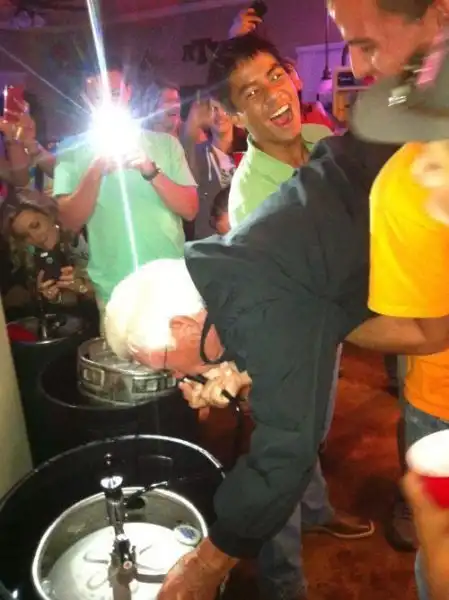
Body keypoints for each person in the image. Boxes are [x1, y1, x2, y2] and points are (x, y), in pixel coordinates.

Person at [104, 131, 406, 600]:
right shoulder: (225, 267)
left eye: (164, 366)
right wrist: (240, 371)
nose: (175, 378)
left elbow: (284, 455)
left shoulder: (260, 309)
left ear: (182, 326)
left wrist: (206, 565)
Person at [206, 33, 374, 600]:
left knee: (315, 431)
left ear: (293, 76)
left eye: (275, 76)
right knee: (286, 448)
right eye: (250, 93)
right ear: (235, 115)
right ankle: (283, 583)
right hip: (290, 338)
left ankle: (318, 510)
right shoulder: (252, 197)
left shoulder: (323, 141)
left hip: (336, 319)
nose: (272, 96)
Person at [328, 0, 447, 553]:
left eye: (368, 43)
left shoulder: (404, 185)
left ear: (438, 17)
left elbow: (428, 331)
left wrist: (324, 319)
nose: (357, 65)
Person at [53, 58, 198, 323]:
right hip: (115, 289)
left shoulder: (166, 144)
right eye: (98, 96)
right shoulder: (70, 149)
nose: (108, 103)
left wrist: (150, 170)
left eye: (115, 93)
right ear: (85, 98)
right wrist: (96, 169)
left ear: (128, 92)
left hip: (172, 283)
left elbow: (190, 210)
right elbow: (69, 222)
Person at [0, 187, 93, 307]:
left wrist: (84, 287)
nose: (35, 237)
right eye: (25, 236)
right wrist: (55, 298)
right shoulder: (39, 258)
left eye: (35, 225)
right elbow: (74, 300)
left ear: (49, 213)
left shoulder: (85, 229)